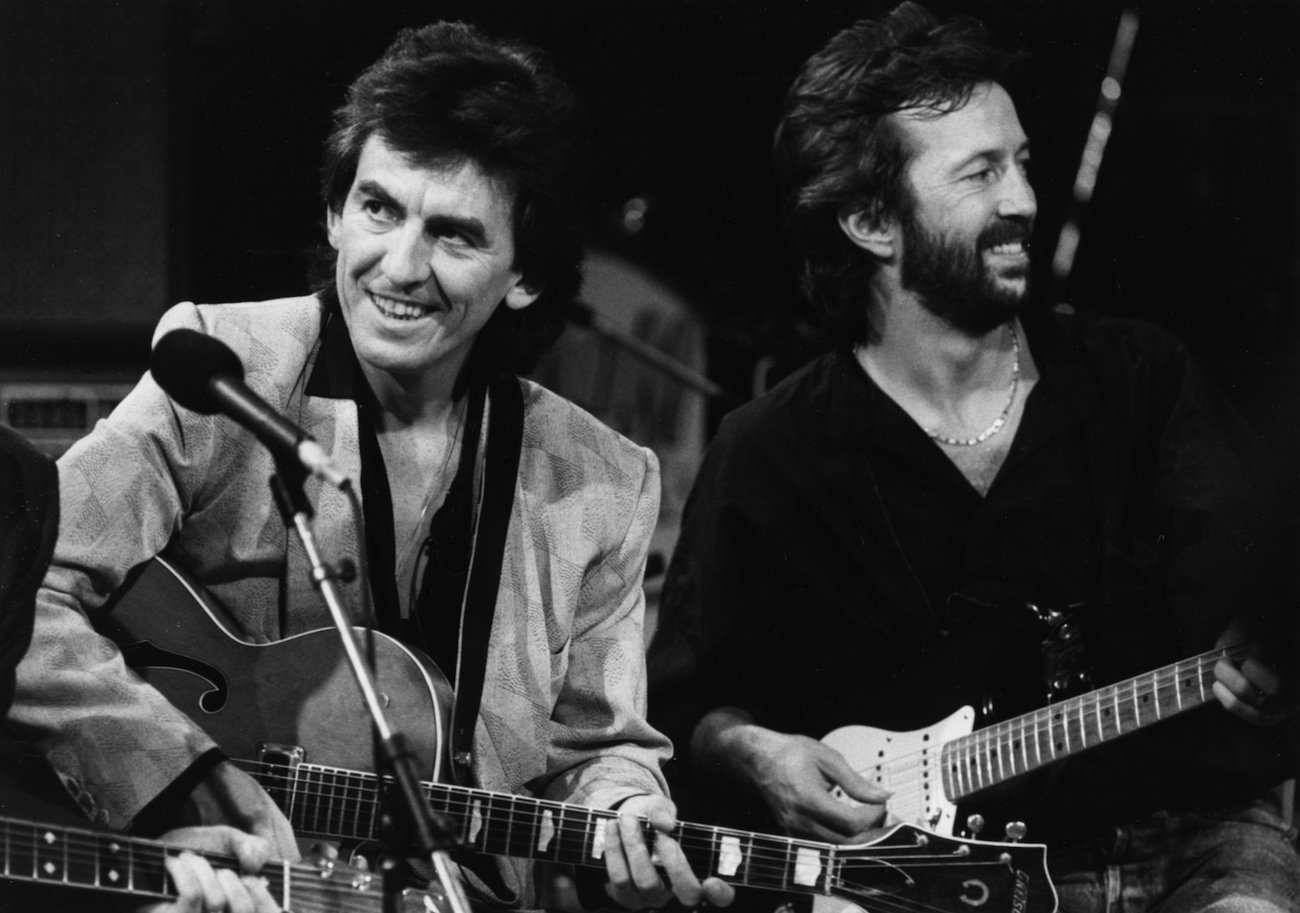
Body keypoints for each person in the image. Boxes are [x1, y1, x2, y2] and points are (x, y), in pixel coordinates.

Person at [6, 21, 734, 913]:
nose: (400, 265)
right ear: (334, 212)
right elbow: (22, 594)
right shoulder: (224, 369)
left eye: (454, 235)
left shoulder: (604, 481)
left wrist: (623, 807)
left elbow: (600, 746)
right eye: (379, 209)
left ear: (526, 276)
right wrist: (183, 777)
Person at [647, 4, 1300, 913]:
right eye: (981, 172)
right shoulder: (771, 454)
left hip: (1192, 839)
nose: (1022, 199)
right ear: (871, 220)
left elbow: (1259, 587)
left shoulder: (1140, 377)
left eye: (1022, 162)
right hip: (938, 879)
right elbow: (691, 708)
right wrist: (755, 752)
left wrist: (1267, 646)